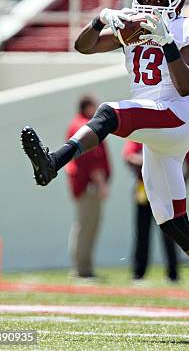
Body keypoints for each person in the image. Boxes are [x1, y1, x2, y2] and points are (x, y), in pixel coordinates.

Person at [20, 0, 189, 322]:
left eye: (159, 0)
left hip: (173, 116)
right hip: (152, 124)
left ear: (175, 1)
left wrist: (167, 42)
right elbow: (83, 47)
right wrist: (100, 19)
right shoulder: (132, 26)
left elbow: (186, 85)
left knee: (108, 113)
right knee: (171, 220)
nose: (151, 6)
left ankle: (54, 160)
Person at [65, 94, 111, 279]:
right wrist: (102, 185)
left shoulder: (74, 124)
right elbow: (94, 159)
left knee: (83, 227)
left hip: (83, 186)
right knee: (88, 227)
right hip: (89, 187)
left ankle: (82, 267)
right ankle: (83, 269)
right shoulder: (85, 126)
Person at [124, 140, 180, 282]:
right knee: (142, 232)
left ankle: (173, 273)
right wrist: (153, 163)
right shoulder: (139, 134)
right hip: (143, 190)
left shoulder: (166, 132)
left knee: (170, 233)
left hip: (165, 191)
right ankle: (138, 273)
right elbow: (129, 156)